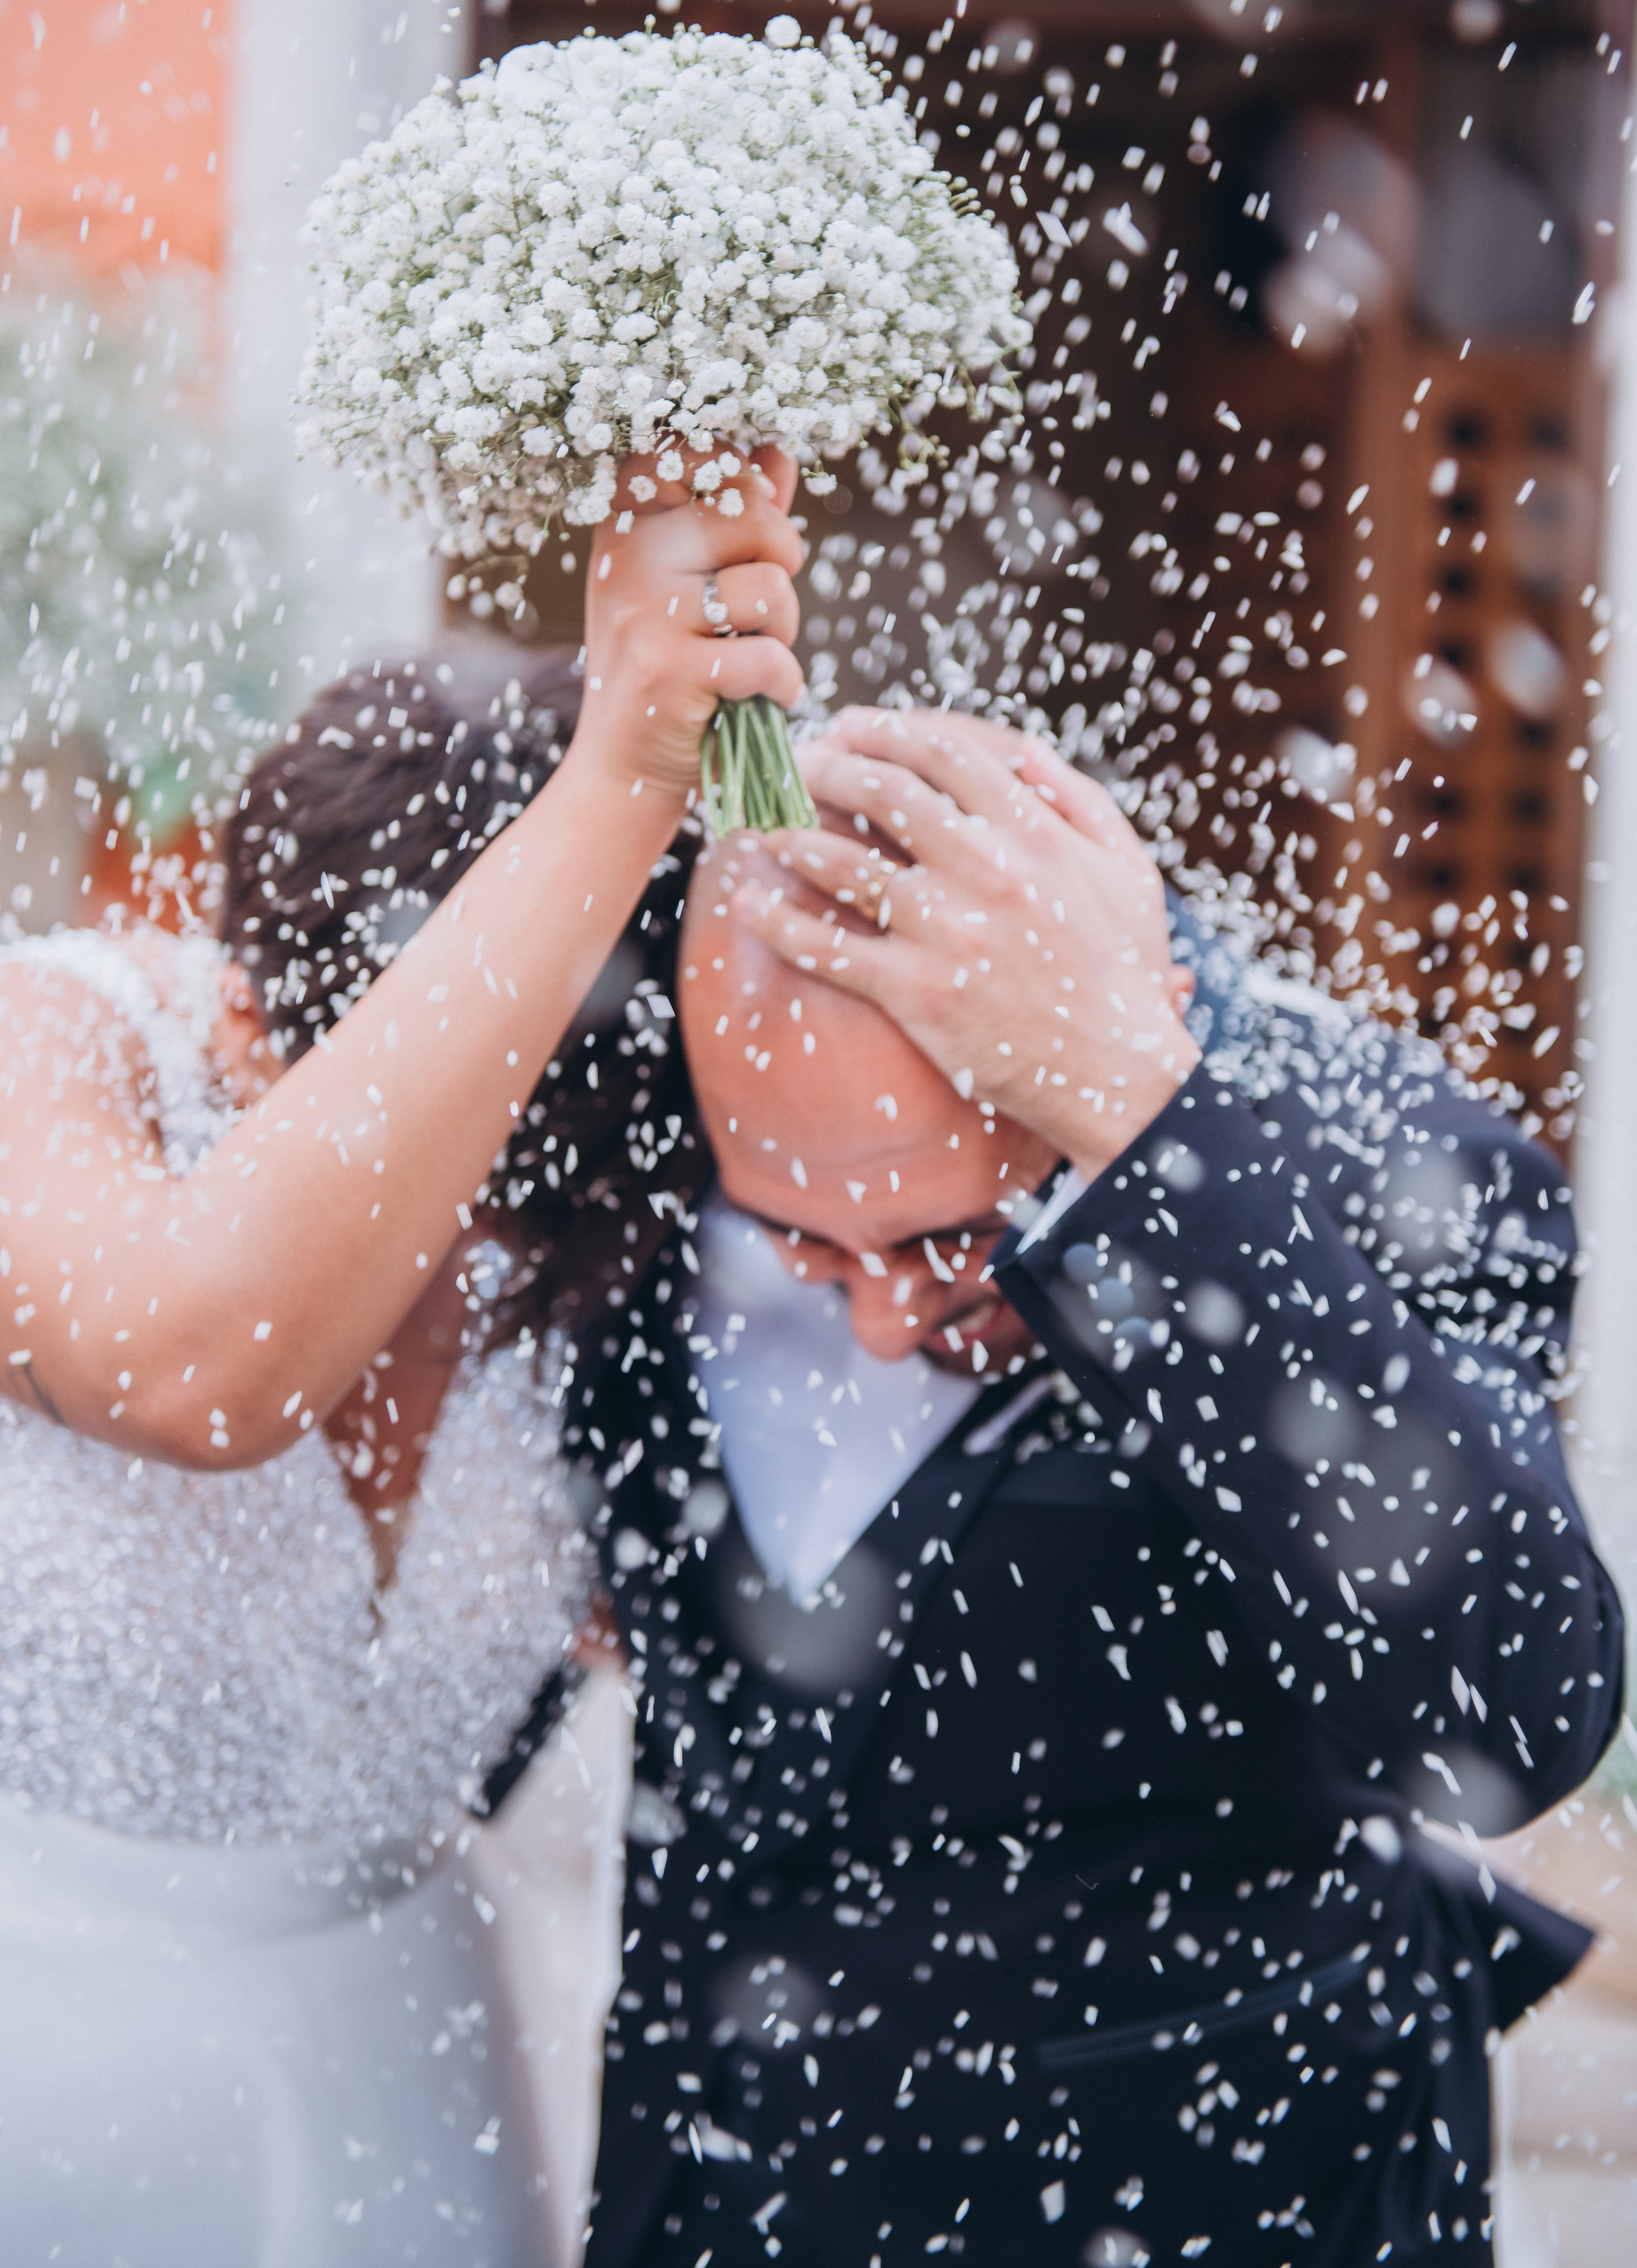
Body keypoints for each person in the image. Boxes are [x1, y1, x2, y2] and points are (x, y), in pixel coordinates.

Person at [561, 707, 1624, 2268]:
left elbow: (1509, 1711)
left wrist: (1139, 1133)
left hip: (1199, 2196)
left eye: (940, 1238)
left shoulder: (1379, 1160)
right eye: (798, 1241)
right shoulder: (637, 1099)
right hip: (710, 2193)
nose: (877, 1317)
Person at [0, 448, 804, 2265]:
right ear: (241, 996)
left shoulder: (608, 1205)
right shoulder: (60, 1037)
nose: (442, 1257)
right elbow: (186, 1362)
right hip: (29, 2036)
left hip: (406, 2070)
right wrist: (617, 781)